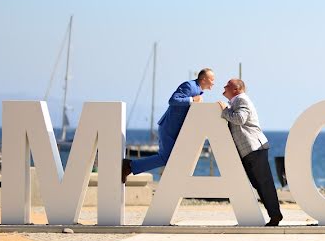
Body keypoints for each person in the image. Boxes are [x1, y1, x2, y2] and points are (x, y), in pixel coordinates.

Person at [121, 68, 216, 183]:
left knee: (173, 158)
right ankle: (129, 166)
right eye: (212, 79)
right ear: (204, 79)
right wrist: (192, 99)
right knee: (165, 158)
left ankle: (131, 166)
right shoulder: (190, 86)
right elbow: (173, 100)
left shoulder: (198, 90)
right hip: (169, 128)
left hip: (175, 130)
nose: (214, 82)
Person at [218, 78, 283, 226]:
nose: (224, 86)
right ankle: (274, 215)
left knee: (263, 184)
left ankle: (275, 216)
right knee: (259, 183)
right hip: (250, 149)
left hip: (254, 148)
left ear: (236, 89)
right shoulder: (236, 101)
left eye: (227, 85)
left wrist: (224, 111)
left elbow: (240, 119)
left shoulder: (241, 99)